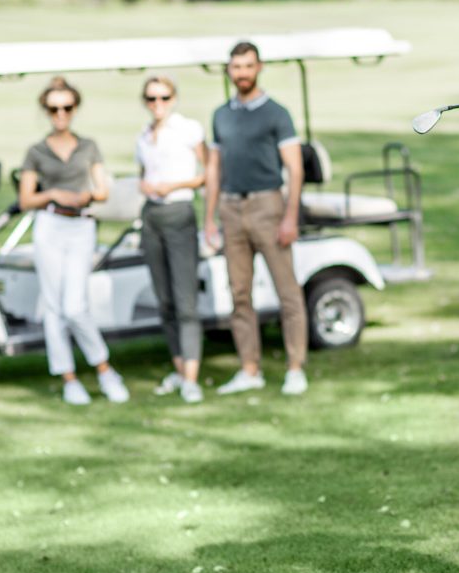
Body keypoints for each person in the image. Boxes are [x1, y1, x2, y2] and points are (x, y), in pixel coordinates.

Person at [203, 41, 309, 397]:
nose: (242, 73)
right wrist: (209, 218)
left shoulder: (276, 113)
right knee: (239, 294)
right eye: (236, 67)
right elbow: (214, 168)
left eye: (248, 66)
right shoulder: (221, 115)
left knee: (287, 293)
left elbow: (294, 168)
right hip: (231, 209)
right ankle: (250, 369)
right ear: (229, 71)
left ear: (258, 68)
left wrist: (290, 216)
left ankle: (295, 368)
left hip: (268, 206)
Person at [18, 76, 130, 406]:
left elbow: (103, 190)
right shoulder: (36, 151)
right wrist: (52, 193)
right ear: (46, 110)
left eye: (66, 107)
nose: (60, 113)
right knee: (53, 307)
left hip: (80, 225)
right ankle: (68, 377)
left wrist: (84, 195)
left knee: (74, 306)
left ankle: (104, 369)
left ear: (75, 108)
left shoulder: (88, 146)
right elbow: (27, 198)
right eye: (54, 108)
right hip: (50, 225)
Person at [135, 75, 208, 404]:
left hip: (179, 212)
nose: (158, 104)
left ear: (174, 98)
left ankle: (192, 377)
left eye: (163, 98)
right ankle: (178, 370)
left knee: (185, 300)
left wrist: (175, 187)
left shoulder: (188, 129)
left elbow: (208, 172)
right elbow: (143, 173)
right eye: (151, 99)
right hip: (152, 216)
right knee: (163, 300)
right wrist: (147, 186)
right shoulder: (144, 136)